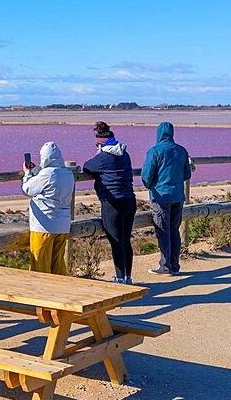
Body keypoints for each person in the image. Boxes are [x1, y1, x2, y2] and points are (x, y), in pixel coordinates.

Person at [82, 121, 136, 284]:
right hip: (129, 200)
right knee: (126, 240)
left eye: (96, 145)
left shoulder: (103, 157)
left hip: (112, 202)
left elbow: (87, 167)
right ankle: (127, 276)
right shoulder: (125, 154)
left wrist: (98, 155)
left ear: (100, 144)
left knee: (116, 240)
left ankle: (120, 278)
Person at [140, 121, 192, 275]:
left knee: (163, 231)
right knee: (174, 230)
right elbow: (187, 174)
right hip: (178, 196)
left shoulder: (155, 151)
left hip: (161, 195)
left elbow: (146, 175)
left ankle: (166, 266)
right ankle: (174, 265)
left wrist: (149, 185)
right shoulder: (181, 151)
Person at [21, 141, 76, 274]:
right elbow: (49, 178)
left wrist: (27, 173)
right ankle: (61, 291)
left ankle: (40, 293)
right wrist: (36, 170)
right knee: (57, 264)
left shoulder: (47, 175)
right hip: (62, 225)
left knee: (40, 265)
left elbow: (28, 189)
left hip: (44, 225)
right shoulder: (68, 174)